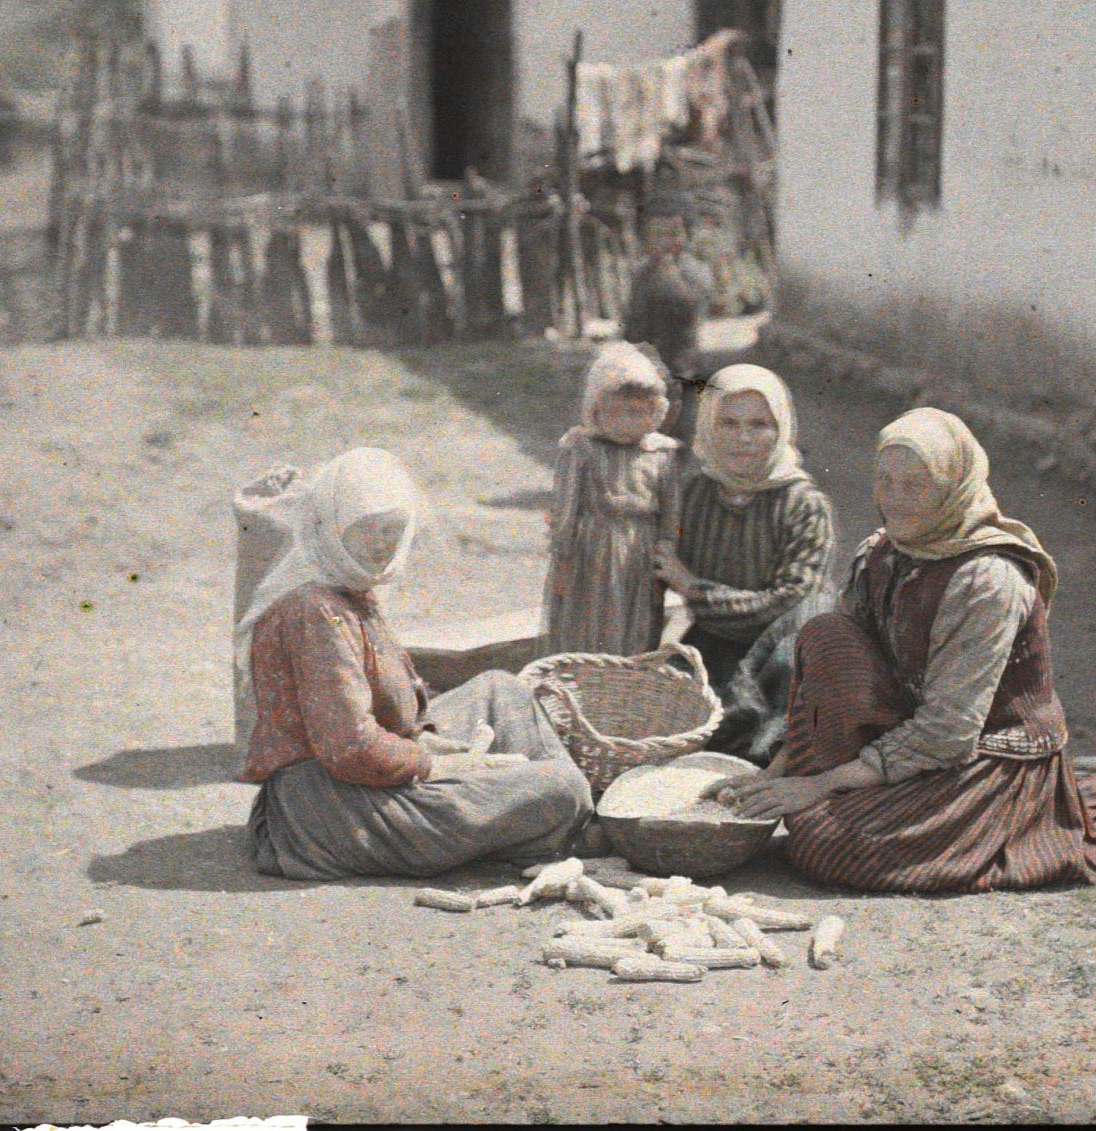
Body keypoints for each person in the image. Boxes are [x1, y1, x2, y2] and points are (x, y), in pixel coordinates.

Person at [711, 408, 1096, 893]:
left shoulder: (987, 580)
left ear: (955, 487)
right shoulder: (883, 552)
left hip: (982, 753)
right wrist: (777, 771)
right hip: (913, 729)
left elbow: (950, 730)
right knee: (827, 635)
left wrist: (818, 784)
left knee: (827, 842)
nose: (895, 500)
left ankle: (1037, 816)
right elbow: (829, 679)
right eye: (885, 482)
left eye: (915, 486)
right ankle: (854, 789)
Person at [240, 448, 594, 881]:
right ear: (330, 528)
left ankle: (557, 818)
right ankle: (559, 819)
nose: (382, 544)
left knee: (501, 690)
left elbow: (380, 717)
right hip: (331, 810)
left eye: (393, 529)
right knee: (561, 789)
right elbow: (350, 747)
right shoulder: (317, 612)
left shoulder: (347, 589)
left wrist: (429, 745)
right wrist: (437, 765)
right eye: (366, 529)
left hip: (366, 770)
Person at [653, 364, 835, 764]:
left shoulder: (803, 504)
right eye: (728, 423)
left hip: (782, 653)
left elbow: (785, 603)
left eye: (759, 425)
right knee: (668, 718)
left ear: (781, 428)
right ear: (708, 426)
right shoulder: (696, 493)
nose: (743, 438)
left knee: (755, 739)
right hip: (712, 642)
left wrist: (694, 589)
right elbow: (657, 561)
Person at [538, 342, 681, 659]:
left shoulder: (660, 454)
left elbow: (671, 513)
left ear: (655, 412)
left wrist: (666, 553)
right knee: (590, 619)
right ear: (595, 410)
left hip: (641, 552)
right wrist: (563, 557)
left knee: (638, 621)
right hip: (593, 550)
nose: (625, 424)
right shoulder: (581, 448)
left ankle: (627, 675)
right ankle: (587, 673)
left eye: (636, 413)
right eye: (614, 413)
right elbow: (566, 507)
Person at [619, 191, 713, 443]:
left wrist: (669, 274)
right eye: (657, 235)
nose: (665, 242)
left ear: (687, 235)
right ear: (646, 238)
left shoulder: (694, 272)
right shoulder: (641, 273)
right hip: (644, 371)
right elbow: (632, 320)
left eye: (673, 234)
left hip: (683, 371)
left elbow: (690, 308)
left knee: (682, 436)